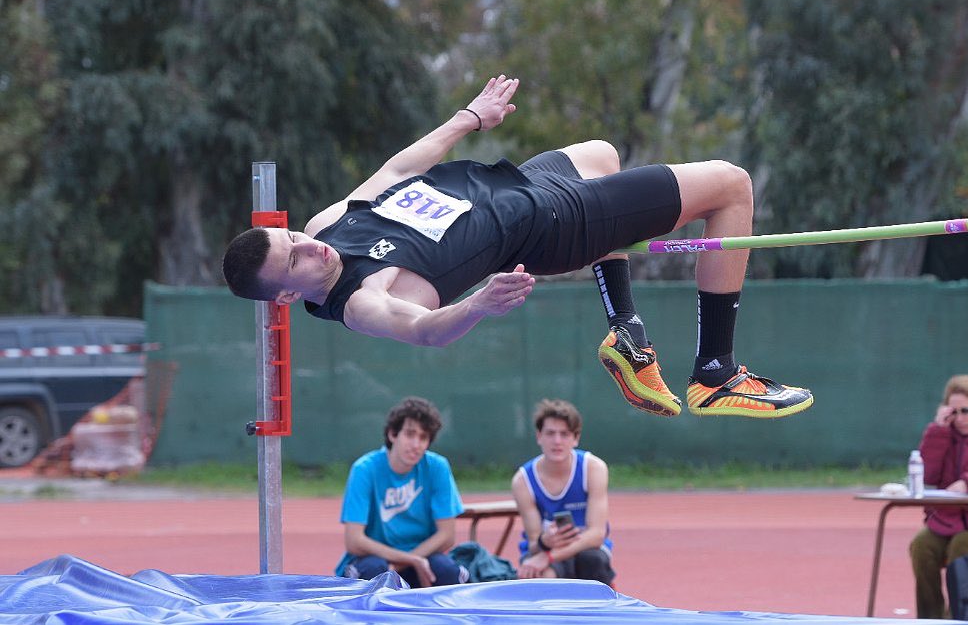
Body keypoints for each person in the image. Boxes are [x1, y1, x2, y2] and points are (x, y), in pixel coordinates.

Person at [222, 75, 812, 419]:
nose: (310, 248)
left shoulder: (326, 225)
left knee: (602, 153)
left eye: (294, 238)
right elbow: (425, 331)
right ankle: (716, 373)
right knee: (732, 184)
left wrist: (469, 117)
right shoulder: (360, 299)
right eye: (295, 260)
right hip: (555, 223)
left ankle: (627, 332)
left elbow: (398, 170)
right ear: (287, 297)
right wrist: (477, 306)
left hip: (521, 182)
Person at [335, 396, 468, 588]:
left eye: (423, 437)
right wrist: (409, 560)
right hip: (376, 560)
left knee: (446, 570)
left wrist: (406, 562)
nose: (416, 444)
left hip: (420, 558)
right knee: (375, 569)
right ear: (392, 434)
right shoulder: (364, 469)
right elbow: (354, 541)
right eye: (410, 434)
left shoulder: (437, 467)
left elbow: (447, 535)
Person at [909, 374, 968, 619]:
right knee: (922, 545)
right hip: (948, 520)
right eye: (953, 412)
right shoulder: (946, 434)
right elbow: (928, 474)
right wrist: (938, 430)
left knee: (963, 545)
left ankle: (956, 619)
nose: (959, 418)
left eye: (965, 411)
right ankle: (929, 619)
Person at [510, 398, 614, 584]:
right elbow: (533, 544)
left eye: (564, 434)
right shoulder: (522, 481)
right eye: (550, 433)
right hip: (545, 550)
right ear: (539, 436)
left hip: (586, 548)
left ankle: (604, 598)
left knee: (592, 560)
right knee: (542, 576)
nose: (557, 441)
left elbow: (596, 535)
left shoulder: (593, 469)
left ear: (575, 438)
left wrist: (549, 557)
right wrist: (545, 542)